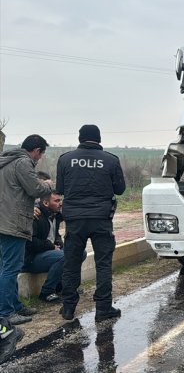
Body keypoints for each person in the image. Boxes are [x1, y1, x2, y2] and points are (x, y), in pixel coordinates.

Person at [57, 125, 126, 322]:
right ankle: (103, 308)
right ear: (99, 139)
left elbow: (60, 188)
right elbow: (120, 189)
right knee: (103, 264)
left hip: (74, 220)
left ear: (80, 138)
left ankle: (68, 308)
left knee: (71, 263)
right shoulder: (111, 160)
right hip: (101, 219)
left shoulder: (65, 159)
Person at [0, 135, 53, 325]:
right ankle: (6, 312)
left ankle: (14, 305)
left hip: (3, 221)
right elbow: (34, 189)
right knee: (10, 268)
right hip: (13, 223)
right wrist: (46, 185)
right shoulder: (23, 162)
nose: (39, 159)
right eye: (41, 154)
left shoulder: (7, 161)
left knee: (7, 266)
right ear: (37, 150)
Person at [24, 191, 86, 302]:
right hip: (32, 258)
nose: (60, 203)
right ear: (46, 203)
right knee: (65, 256)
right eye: (56, 201)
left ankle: (63, 286)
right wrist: (51, 246)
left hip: (49, 253)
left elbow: (55, 234)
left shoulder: (55, 215)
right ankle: (47, 292)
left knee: (81, 253)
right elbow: (30, 243)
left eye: (60, 200)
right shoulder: (36, 216)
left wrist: (58, 243)